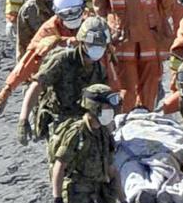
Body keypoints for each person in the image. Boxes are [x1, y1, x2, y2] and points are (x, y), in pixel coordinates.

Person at [10, 17, 120, 152]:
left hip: (84, 122)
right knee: (62, 161)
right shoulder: (62, 60)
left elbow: (104, 104)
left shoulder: (99, 70)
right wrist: (23, 119)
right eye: (92, 44)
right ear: (82, 41)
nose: (97, 49)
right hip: (59, 121)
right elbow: (36, 85)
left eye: (101, 45)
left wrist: (108, 135)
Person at [0, 0, 88, 117]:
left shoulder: (91, 23)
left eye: (75, 12)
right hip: (60, 84)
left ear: (83, 7)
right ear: (57, 13)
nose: (71, 17)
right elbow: (29, 60)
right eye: (66, 14)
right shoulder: (48, 31)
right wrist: (8, 89)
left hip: (89, 79)